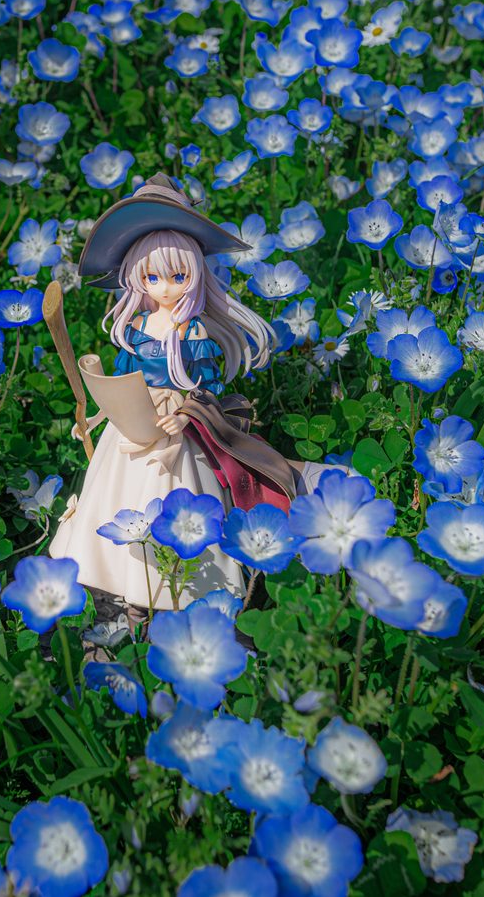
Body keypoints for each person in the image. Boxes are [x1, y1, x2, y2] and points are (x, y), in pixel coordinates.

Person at [47, 174, 349, 629]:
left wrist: (186, 415)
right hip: (128, 421)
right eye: (152, 276)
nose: (165, 288)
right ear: (135, 277)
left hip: (177, 428)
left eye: (178, 276)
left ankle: (181, 590)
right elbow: (120, 378)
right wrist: (93, 415)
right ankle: (116, 586)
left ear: (195, 275)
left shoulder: (195, 334)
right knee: (111, 496)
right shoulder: (134, 331)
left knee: (176, 494)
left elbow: (206, 390)